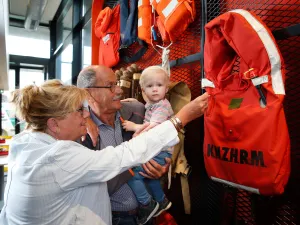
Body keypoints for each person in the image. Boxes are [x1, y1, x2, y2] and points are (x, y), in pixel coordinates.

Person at [0, 79, 209, 225]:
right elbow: (121, 157)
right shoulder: (56, 157)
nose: (85, 115)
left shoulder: (25, 143)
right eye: (78, 110)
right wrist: (180, 119)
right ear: (54, 124)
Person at [77, 65, 209, 225]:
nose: (119, 90)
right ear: (88, 93)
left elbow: (160, 144)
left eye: (117, 83)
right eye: (110, 86)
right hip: (112, 218)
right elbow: (91, 185)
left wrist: (161, 169)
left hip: (148, 216)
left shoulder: (138, 110)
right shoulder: (80, 133)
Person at [122, 66, 174, 224]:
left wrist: (134, 128)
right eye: (150, 86)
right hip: (158, 150)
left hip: (160, 151)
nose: (155, 89)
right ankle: (162, 200)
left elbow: (155, 128)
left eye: (159, 85)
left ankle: (147, 203)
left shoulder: (162, 106)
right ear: (143, 90)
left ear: (166, 87)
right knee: (149, 177)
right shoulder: (152, 105)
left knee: (132, 174)